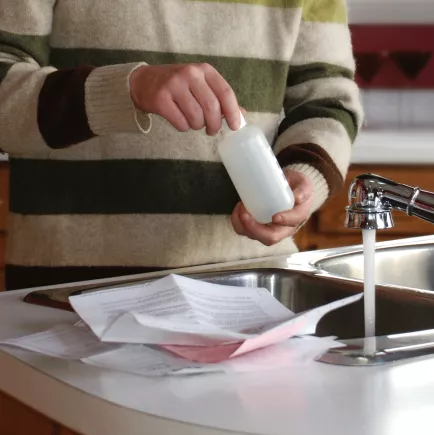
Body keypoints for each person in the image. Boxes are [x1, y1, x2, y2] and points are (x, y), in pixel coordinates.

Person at [0, 0, 363, 290]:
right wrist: (127, 90)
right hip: (69, 293)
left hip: (249, 293)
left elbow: (328, 101)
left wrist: (304, 179)